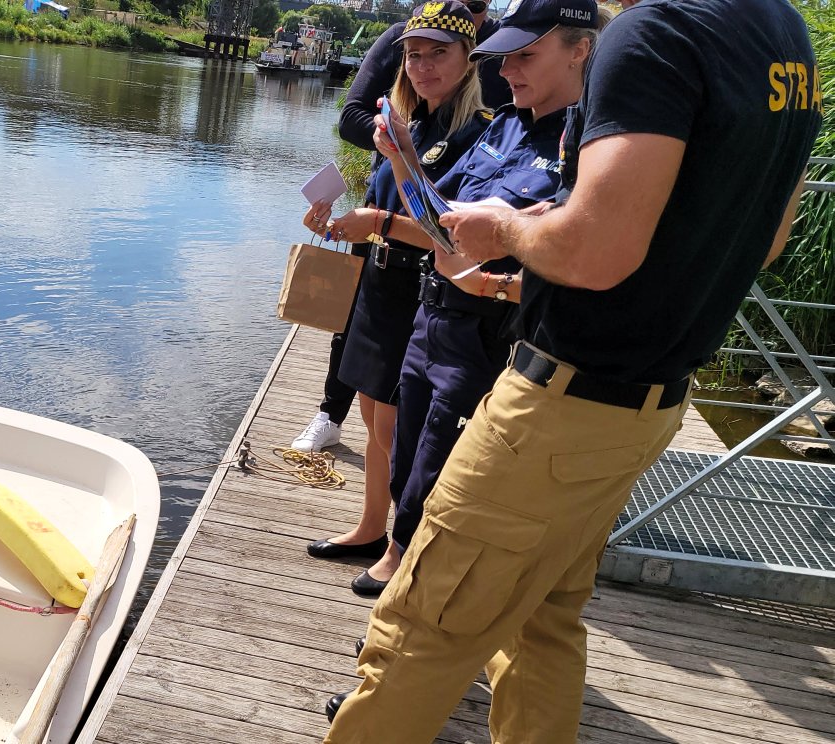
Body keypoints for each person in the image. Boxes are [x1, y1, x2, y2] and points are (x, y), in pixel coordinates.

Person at [324, 0, 821, 738]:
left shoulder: (654, 31)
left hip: (560, 402)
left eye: (525, 54)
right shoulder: (784, 33)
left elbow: (594, 250)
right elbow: (772, 237)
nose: (508, 69)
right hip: (650, 404)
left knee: (422, 625)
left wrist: (505, 229)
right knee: (540, 624)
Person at [335, 0, 605, 605]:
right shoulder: (501, 124)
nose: (507, 70)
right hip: (430, 320)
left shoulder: (586, 145)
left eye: (526, 56)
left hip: (492, 337)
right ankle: (402, 598)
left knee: (443, 481)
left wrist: (500, 276)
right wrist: (402, 154)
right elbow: (438, 222)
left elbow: (579, 251)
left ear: (580, 50)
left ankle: (411, 627)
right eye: (504, 57)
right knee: (407, 472)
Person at [301, 0, 492, 568]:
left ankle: (402, 545)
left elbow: (452, 233)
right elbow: (383, 198)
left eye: (439, 53)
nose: (423, 65)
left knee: (395, 424)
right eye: (413, 54)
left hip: (420, 287)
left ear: (469, 57)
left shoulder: (476, 133)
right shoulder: (405, 125)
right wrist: (336, 221)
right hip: (378, 285)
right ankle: (369, 527)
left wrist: (380, 223)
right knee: (369, 413)